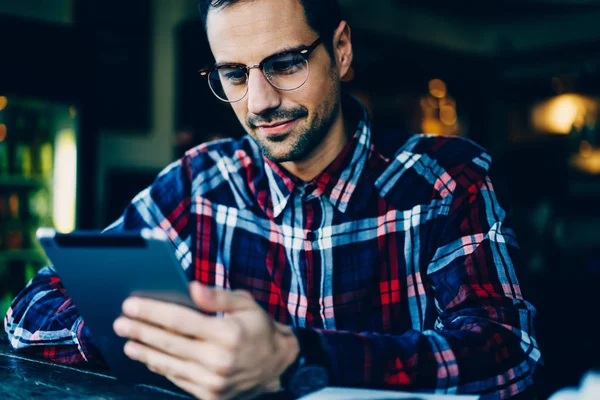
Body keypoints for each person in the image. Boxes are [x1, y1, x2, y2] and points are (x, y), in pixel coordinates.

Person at [4, 0, 542, 398]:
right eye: (234, 74)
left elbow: (508, 354)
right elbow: (28, 312)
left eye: (285, 64)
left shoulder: (447, 180)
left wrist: (295, 357)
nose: (260, 102)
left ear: (341, 49)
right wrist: (153, 339)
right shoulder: (200, 184)